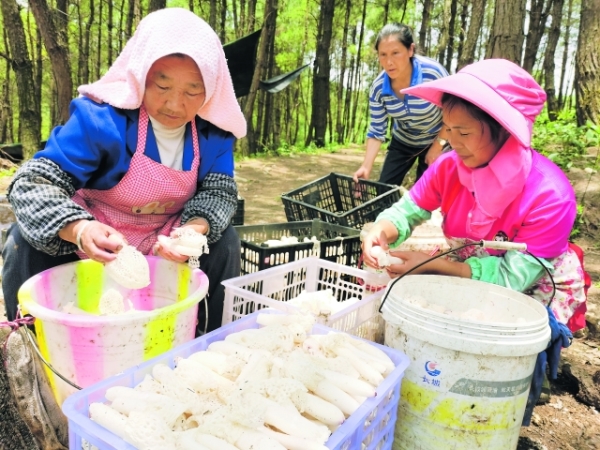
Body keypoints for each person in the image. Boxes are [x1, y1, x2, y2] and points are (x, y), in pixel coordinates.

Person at [361, 58, 586, 424]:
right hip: (470, 263)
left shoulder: (550, 195)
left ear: (502, 131)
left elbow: (513, 280)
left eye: (464, 133)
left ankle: (523, 382)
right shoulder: (449, 168)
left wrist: (432, 265)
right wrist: (381, 230)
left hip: (534, 282)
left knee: (503, 354)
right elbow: (409, 209)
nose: (451, 141)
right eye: (447, 129)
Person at [2, 8, 246, 334]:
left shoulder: (213, 133)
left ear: (212, 89)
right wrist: (79, 229)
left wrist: (193, 230)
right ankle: (36, 354)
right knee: (23, 240)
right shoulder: (103, 121)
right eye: (162, 86)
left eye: (193, 91)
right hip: (92, 243)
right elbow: (32, 183)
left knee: (226, 240)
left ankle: (208, 343)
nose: (176, 105)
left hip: (165, 242)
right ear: (140, 74)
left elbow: (219, 192)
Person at [353, 23, 449, 187]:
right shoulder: (378, 88)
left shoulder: (433, 73)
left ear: (410, 50)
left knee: (423, 197)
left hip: (437, 138)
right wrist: (366, 166)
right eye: (383, 55)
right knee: (383, 191)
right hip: (403, 141)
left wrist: (438, 145)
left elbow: (453, 112)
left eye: (395, 53)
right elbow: (377, 130)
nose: (389, 61)